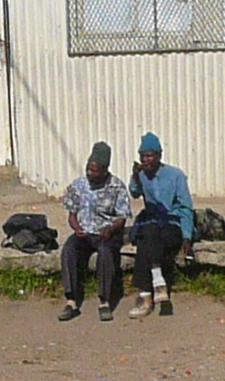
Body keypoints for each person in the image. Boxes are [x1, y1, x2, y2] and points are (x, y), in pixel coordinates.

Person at [57, 141, 127, 324]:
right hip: (85, 233)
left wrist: (109, 229)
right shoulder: (78, 185)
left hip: (106, 234)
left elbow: (122, 218)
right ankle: (71, 301)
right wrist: (76, 228)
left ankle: (105, 301)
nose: (90, 173)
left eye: (95, 170)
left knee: (105, 252)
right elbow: (72, 215)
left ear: (105, 170)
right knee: (69, 249)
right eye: (88, 169)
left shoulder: (116, 186)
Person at [128, 133, 194, 318]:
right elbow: (134, 193)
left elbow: (186, 207)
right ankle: (158, 289)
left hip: (171, 223)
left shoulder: (175, 175)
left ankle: (145, 296)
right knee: (148, 233)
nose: (146, 160)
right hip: (151, 222)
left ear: (159, 155)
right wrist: (135, 176)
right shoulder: (141, 175)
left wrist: (187, 236)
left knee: (147, 239)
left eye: (150, 156)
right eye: (143, 156)